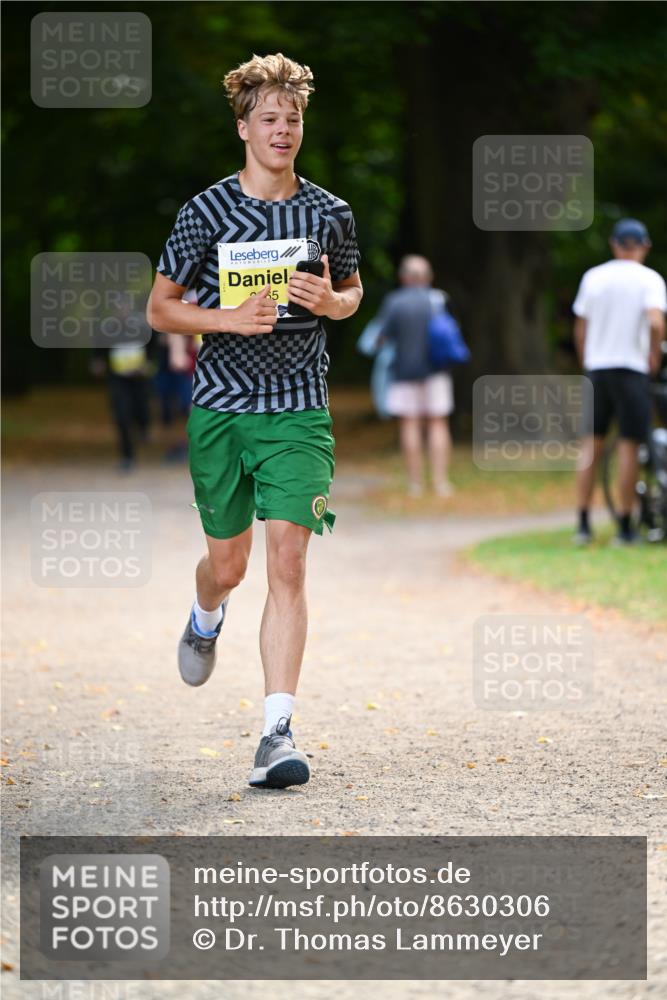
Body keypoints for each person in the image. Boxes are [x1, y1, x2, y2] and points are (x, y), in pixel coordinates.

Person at [147, 53, 362, 789]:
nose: (282, 130)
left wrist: (331, 301)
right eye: (268, 119)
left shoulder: (329, 212)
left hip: (298, 410)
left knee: (289, 563)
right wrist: (228, 320)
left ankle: (276, 732)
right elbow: (160, 308)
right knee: (232, 566)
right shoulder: (205, 211)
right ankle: (206, 611)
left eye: (292, 120)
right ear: (243, 128)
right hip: (222, 413)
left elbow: (352, 291)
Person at [573, 219, 667, 545]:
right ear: (645, 246)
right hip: (631, 369)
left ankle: (583, 524)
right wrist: (653, 355)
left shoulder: (593, 277)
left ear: (614, 244)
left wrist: (587, 359)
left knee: (591, 445)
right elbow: (655, 322)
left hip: (597, 368)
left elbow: (581, 326)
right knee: (629, 445)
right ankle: (625, 527)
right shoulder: (650, 280)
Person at [378, 255, 455, 497]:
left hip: (403, 371)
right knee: (438, 422)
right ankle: (441, 482)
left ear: (404, 277)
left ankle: (415, 484)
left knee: (409, 423)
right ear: (428, 277)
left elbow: (382, 338)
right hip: (436, 370)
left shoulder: (394, 302)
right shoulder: (439, 299)